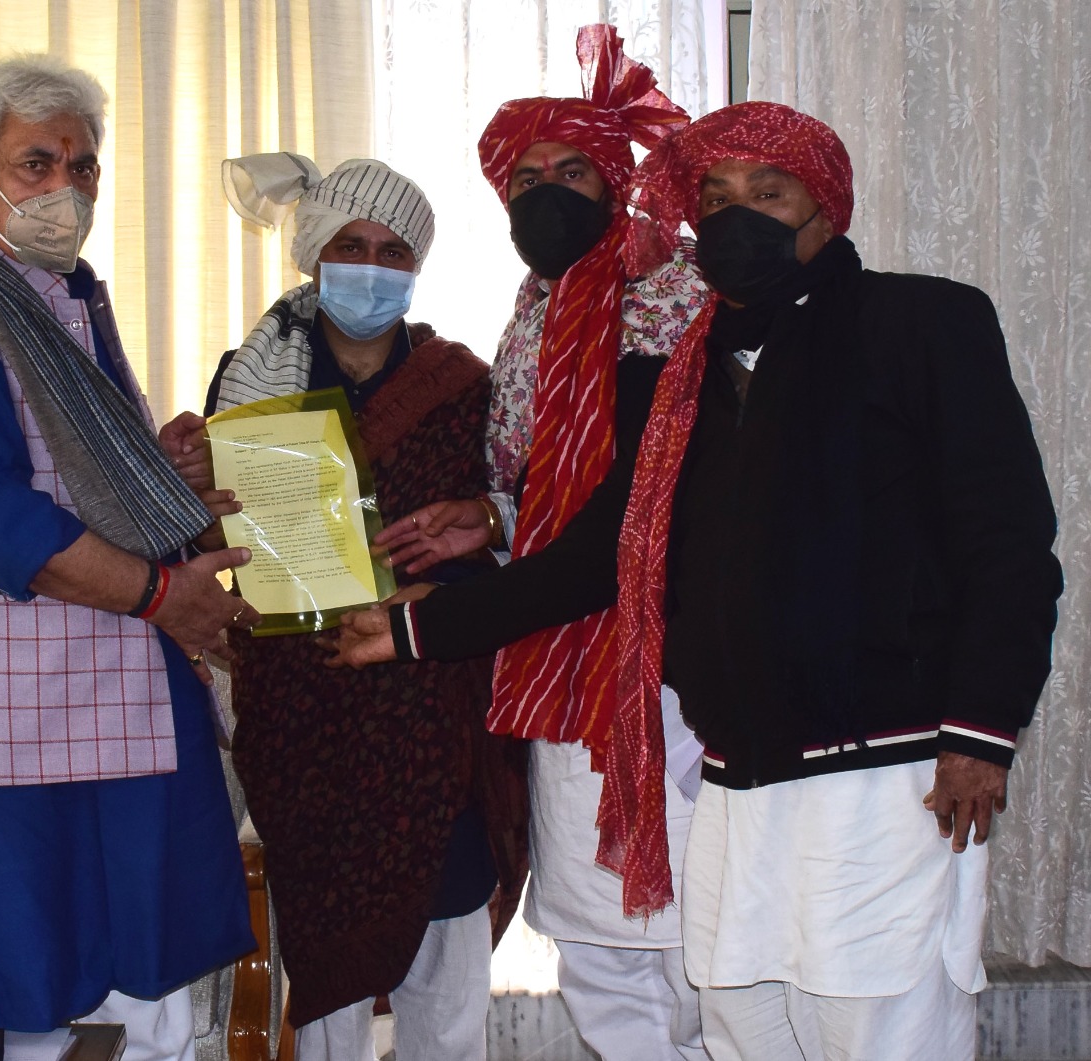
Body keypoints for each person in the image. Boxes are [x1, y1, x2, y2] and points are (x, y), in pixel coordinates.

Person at [331, 100, 1062, 1061]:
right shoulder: (682, 367)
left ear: (825, 208)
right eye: (714, 195)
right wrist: (423, 628)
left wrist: (981, 732)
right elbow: (607, 549)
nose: (735, 216)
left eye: (768, 192)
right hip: (738, 778)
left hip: (887, 774)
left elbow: (1006, 543)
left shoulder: (922, 321)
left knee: (878, 1027)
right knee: (745, 1025)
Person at [0, 54, 256, 1061]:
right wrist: (166, 591)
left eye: (83, 167)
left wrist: (159, 478)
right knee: (10, 995)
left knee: (127, 987)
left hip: (94, 705)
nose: (64, 188)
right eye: (36, 162)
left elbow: (61, 482)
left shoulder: (60, 300)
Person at [367, 25, 709, 1061]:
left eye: (573, 171)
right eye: (525, 178)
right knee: (598, 943)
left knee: (689, 945)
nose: (547, 194)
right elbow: (547, 496)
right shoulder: (532, 311)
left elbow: (636, 519)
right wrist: (491, 518)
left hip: (664, 667)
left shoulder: (672, 294)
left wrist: (434, 625)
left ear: (616, 178)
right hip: (559, 665)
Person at [164, 154, 528, 1061]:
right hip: (303, 714)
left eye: (394, 249)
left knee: (445, 982)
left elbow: (511, 540)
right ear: (314, 254)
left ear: (417, 267)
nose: (371, 264)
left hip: (428, 716)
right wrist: (184, 497)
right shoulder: (248, 384)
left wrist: (440, 589)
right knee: (325, 985)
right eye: (351, 244)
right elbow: (214, 544)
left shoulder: (461, 385)